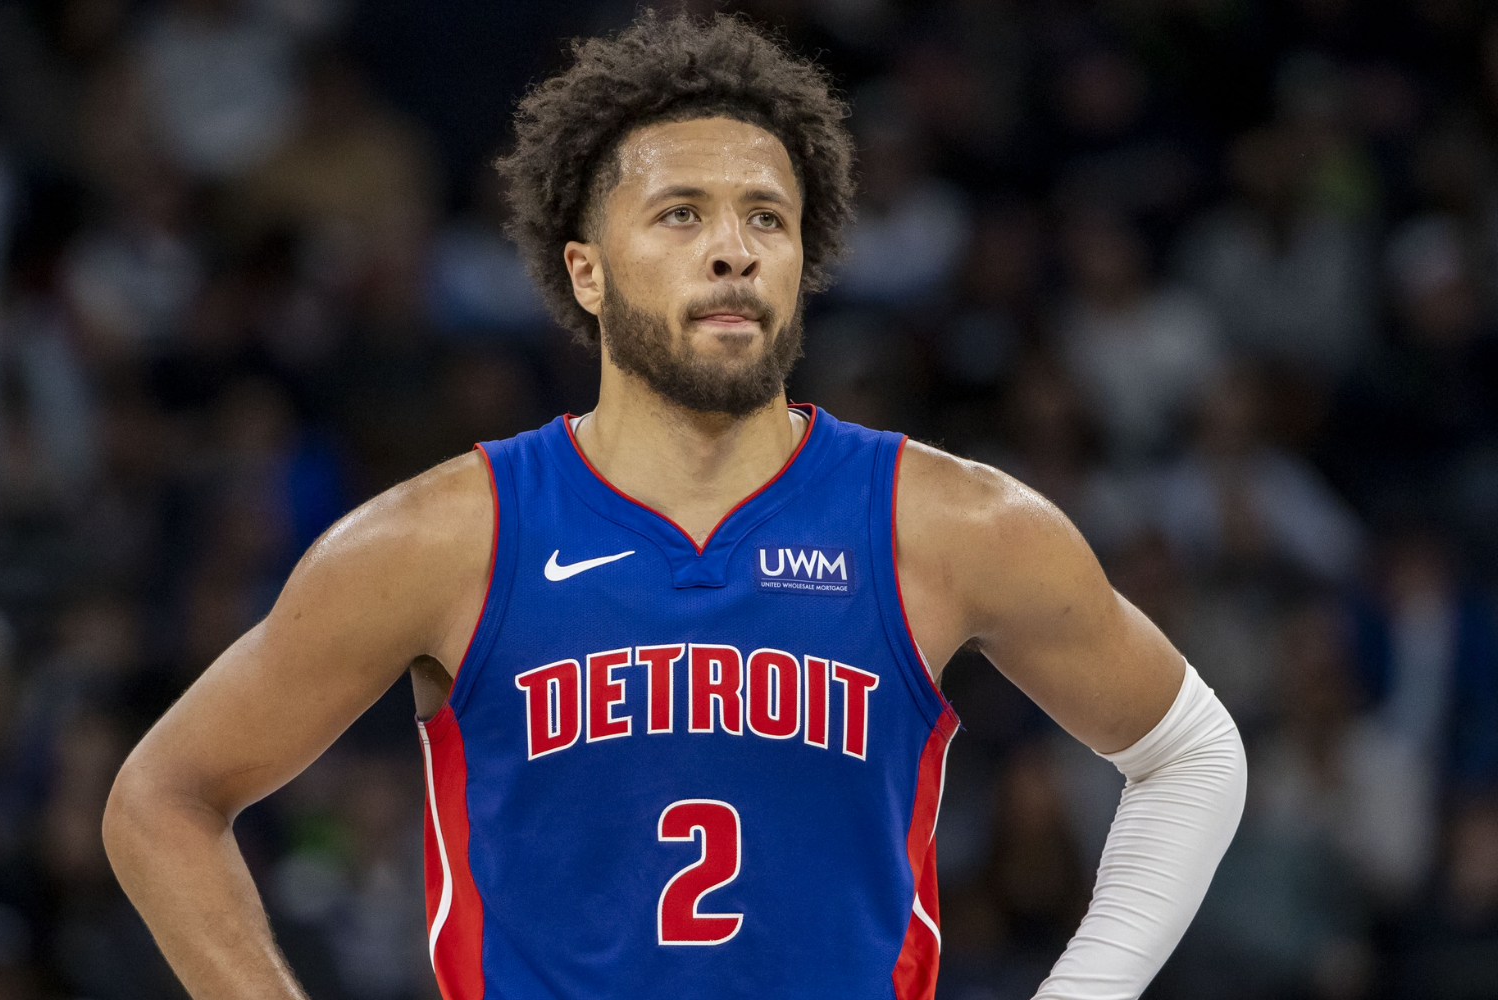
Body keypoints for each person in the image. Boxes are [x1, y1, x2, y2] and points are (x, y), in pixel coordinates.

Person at [102, 13, 1246, 1000]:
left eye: (766, 218)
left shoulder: (949, 524)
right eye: (681, 215)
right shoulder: (444, 537)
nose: (732, 252)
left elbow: (1190, 756)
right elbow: (161, 798)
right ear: (586, 270)